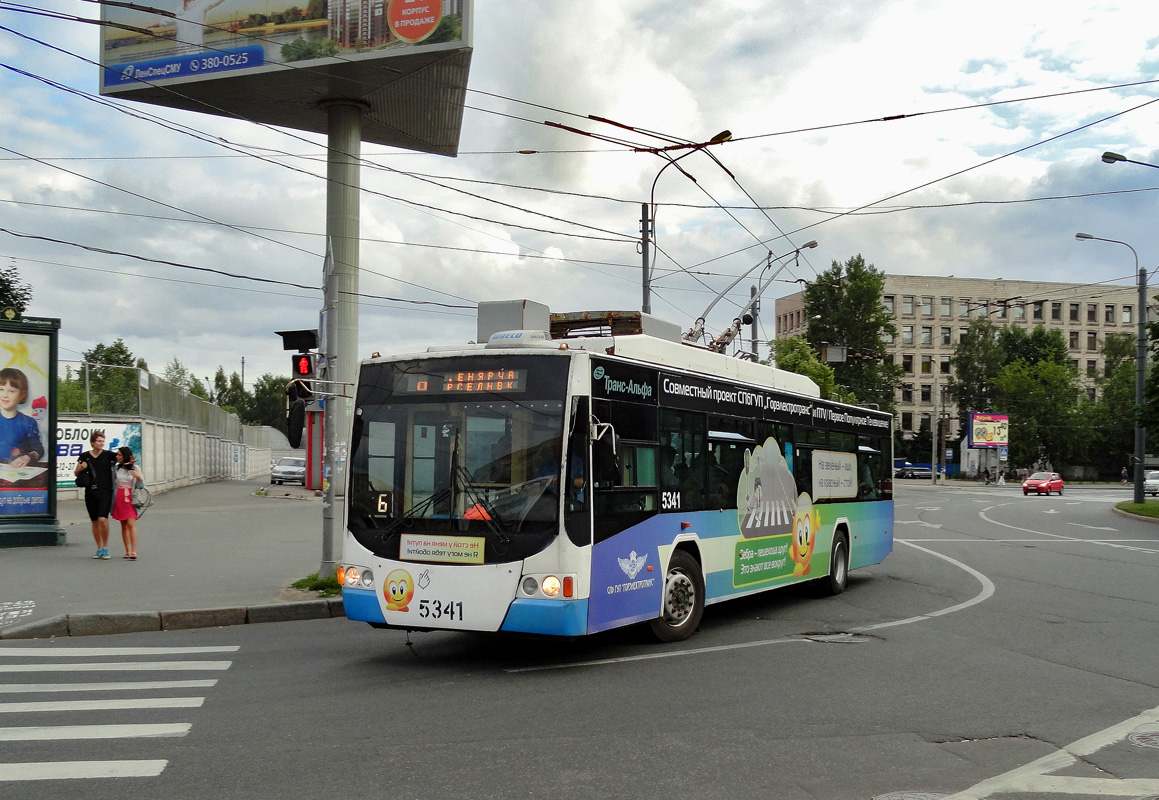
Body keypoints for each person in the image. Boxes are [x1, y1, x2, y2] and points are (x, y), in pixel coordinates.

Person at [75, 431, 115, 559]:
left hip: (105, 491)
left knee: (103, 518)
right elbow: (76, 473)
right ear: (92, 442)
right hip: (90, 491)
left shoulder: (108, 455)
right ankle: (99, 547)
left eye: (103, 441)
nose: (101, 443)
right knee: (94, 521)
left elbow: (121, 459)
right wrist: (80, 468)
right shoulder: (84, 456)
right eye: (99, 441)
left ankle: (106, 546)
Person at [0, 368, 44, 467]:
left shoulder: (28, 423)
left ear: (22, 395)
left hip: (15, 472)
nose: (5, 395)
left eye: (11, 391)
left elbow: (38, 449)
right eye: (1, 389)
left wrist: (27, 457)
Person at [112, 446, 144, 560]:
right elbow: (113, 483)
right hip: (120, 496)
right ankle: (127, 550)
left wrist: (138, 477)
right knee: (123, 524)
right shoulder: (116, 468)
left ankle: (134, 551)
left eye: (119, 455)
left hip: (131, 497)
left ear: (125, 456)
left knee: (131, 523)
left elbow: (141, 485)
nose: (117, 456)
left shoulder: (135, 468)